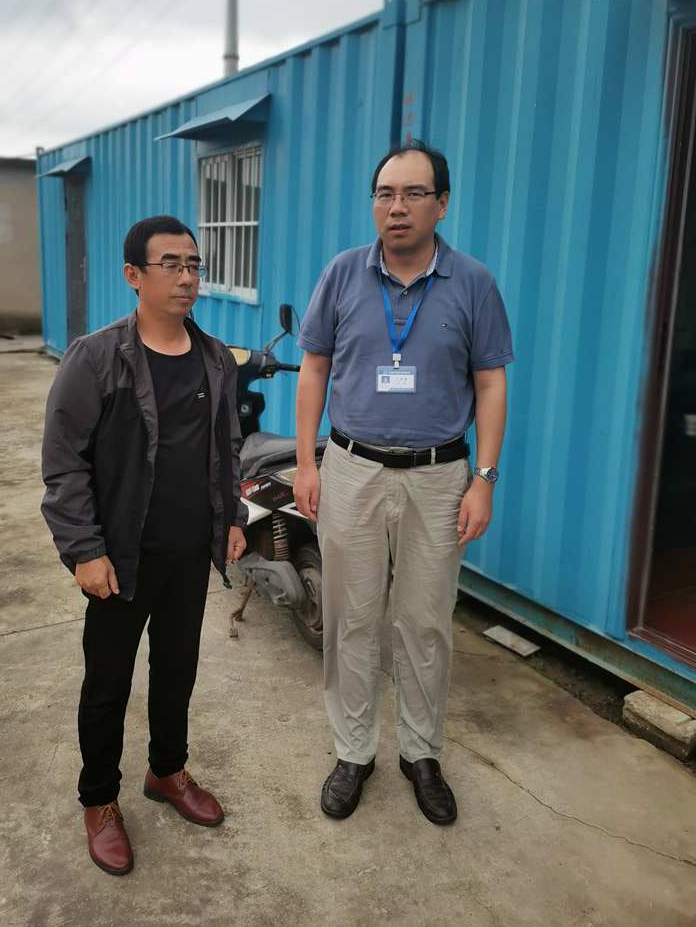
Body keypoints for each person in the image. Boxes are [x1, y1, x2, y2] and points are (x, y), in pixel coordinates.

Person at [293, 140, 513, 825]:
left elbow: (490, 382)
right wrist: (307, 463)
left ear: (441, 204)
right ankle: (353, 751)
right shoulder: (341, 274)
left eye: (414, 193)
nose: (397, 207)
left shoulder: (472, 282)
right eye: (385, 194)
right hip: (352, 469)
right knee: (351, 618)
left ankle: (421, 753)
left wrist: (484, 478)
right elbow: (314, 370)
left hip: (439, 477)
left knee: (425, 622)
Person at [41, 215, 247, 875]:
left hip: (189, 552)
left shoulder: (215, 358)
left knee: (177, 668)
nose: (187, 277)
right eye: (171, 264)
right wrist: (84, 548)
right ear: (134, 275)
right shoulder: (97, 357)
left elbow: (227, 445)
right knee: (108, 682)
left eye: (194, 264)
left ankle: (166, 770)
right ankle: (100, 799)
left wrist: (232, 516)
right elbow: (64, 462)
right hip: (120, 557)